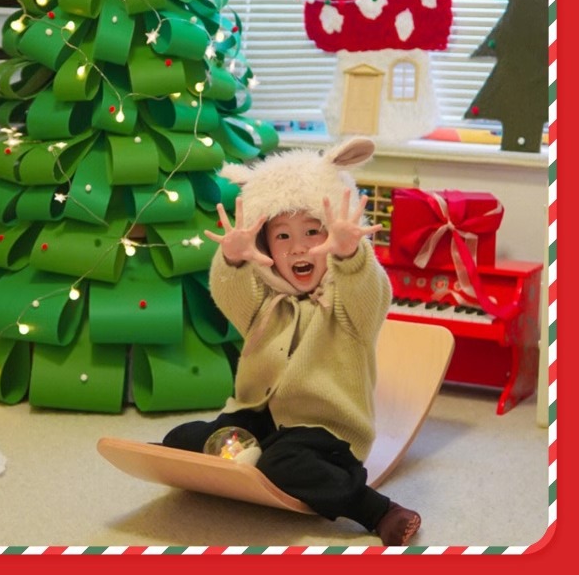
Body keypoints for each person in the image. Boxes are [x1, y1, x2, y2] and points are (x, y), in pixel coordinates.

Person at [160, 137, 422, 546]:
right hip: (259, 420)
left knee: (286, 462)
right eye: (282, 237)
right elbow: (230, 295)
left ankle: (376, 508)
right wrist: (233, 260)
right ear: (265, 247)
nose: (299, 247)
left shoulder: (347, 307)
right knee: (183, 439)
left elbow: (372, 293)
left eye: (313, 232)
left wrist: (351, 256)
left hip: (325, 431)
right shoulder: (265, 302)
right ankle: (249, 458)